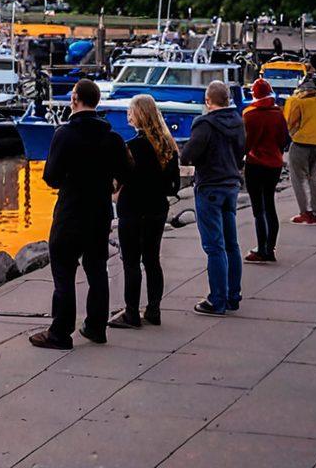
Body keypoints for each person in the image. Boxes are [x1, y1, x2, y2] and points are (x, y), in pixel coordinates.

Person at [29, 79, 131, 350]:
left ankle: (60, 332)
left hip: (71, 212)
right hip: (99, 212)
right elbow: (126, 174)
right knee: (97, 268)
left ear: (75, 99)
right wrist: (110, 185)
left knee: (63, 272)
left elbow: (51, 177)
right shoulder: (112, 138)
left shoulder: (64, 134)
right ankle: (96, 327)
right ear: (96, 102)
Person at [108, 94, 179, 330]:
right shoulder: (168, 146)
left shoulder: (132, 147)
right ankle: (154, 309)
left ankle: (131, 312)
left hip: (132, 209)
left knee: (131, 262)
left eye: (131, 110)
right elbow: (174, 185)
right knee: (152, 260)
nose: (128, 114)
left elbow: (119, 180)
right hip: (157, 208)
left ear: (139, 114)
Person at [180, 81, 246, 315]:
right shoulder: (238, 121)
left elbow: (188, 156)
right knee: (231, 244)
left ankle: (216, 300)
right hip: (231, 184)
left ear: (208, 101)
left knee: (214, 246)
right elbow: (241, 152)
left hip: (210, 187)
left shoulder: (205, 124)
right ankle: (232, 295)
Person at [243, 78, 290, 262]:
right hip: (274, 164)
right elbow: (284, 140)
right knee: (270, 204)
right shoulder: (278, 113)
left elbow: (246, 143)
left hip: (255, 163)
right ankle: (270, 248)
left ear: (254, 95)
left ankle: (261, 248)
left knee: (258, 209)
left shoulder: (249, 114)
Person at [284, 73, 316, 224]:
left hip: (301, 143)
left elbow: (290, 121)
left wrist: (293, 133)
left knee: (297, 179)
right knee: (314, 177)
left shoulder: (298, 101)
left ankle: (304, 212)